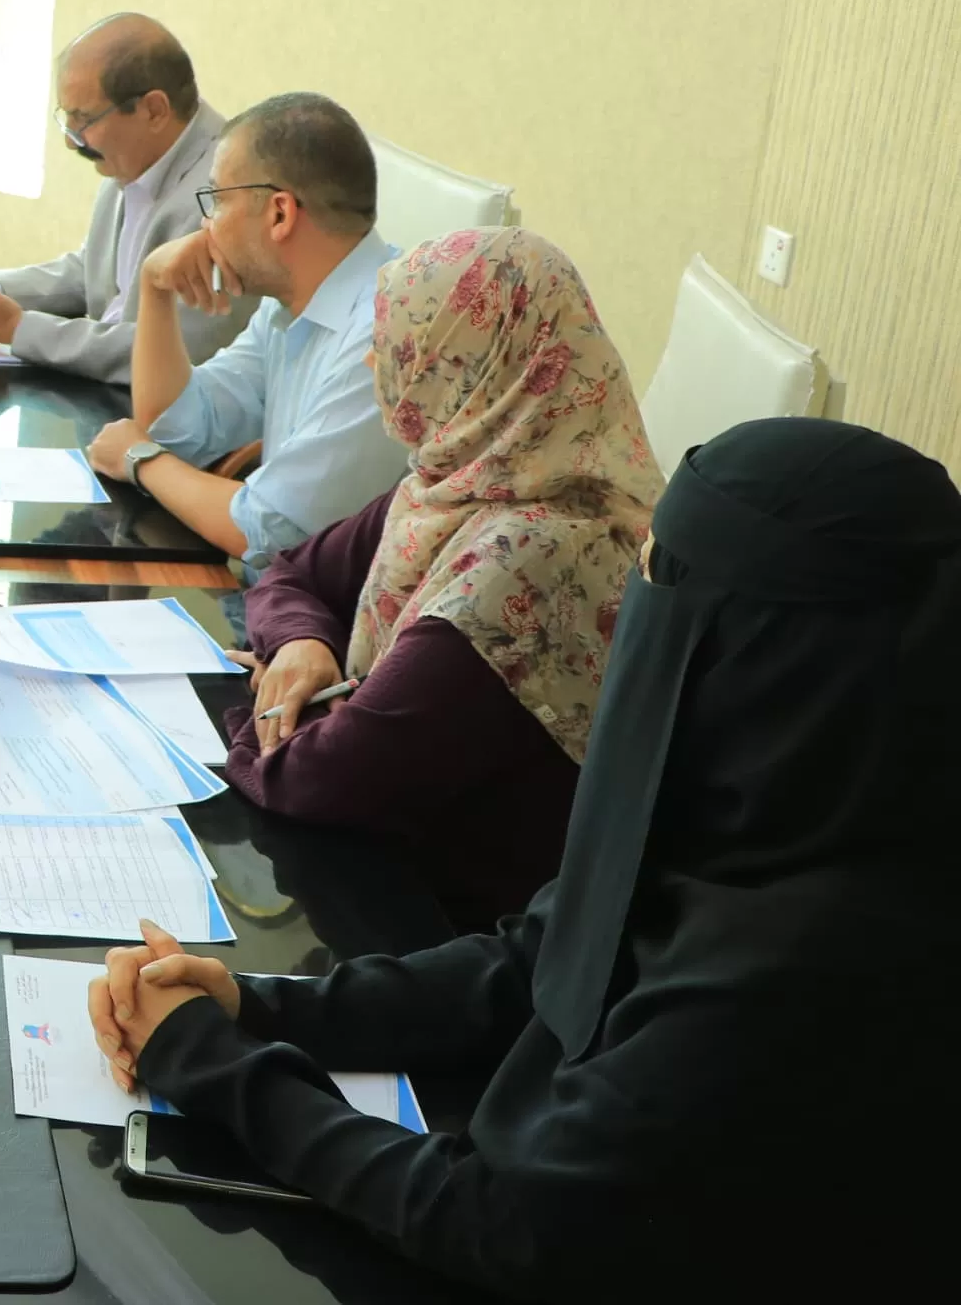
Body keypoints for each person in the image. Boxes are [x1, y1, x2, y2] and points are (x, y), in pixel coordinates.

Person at [88, 419, 961, 1303]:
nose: (632, 606)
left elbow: (508, 1225)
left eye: (661, 578)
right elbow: (540, 956)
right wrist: (256, 1006)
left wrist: (212, 1064)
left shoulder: (826, 953)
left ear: (778, 653)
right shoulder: (753, 801)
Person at [225, 229, 662, 928]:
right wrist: (304, 647)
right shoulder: (465, 480)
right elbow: (292, 574)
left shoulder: (529, 555)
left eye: (401, 342)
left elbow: (321, 779)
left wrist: (278, 713)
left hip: (465, 935)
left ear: (472, 364)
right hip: (396, 863)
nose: (375, 359)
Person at [86, 92, 409, 574]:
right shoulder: (287, 307)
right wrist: (155, 288)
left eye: (216, 200)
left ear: (279, 214)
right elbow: (175, 426)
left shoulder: (385, 339)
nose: (206, 223)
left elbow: (267, 531)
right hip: (278, 616)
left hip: (333, 638)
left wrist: (139, 460)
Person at [0, 15, 250, 385]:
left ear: (154, 110)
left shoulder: (227, 193)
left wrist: (17, 328)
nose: (72, 140)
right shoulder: (131, 158)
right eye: (67, 118)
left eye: (83, 119)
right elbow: (92, 272)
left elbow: (173, 352)